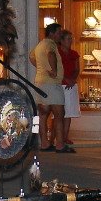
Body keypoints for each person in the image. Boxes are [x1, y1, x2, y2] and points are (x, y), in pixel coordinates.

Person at [29, 23, 69, 152]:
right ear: (52, 33)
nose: (60, 35)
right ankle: (60, 145)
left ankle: (44, 143)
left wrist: (42, 68)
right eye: (58, 32)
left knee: (43, 113)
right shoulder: (51, 44)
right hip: (52, 84)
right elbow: (51, 54)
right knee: (59, 114)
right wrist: (53, 70)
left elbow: (31, 57)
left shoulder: (40, 45)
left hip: (40, 82)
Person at [58, 30, 81, 146]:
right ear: (61, 41)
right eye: (68, 39)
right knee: (59, 113)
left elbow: (77, 69)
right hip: (60, 85)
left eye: (71, 39)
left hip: (71, 85)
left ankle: (65, 137)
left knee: (69, 113)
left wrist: (72, 79)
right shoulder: (57, 54)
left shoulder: (74, 54)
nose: (70, 41)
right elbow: (55, 69)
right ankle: (59, 138)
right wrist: (65, 79)